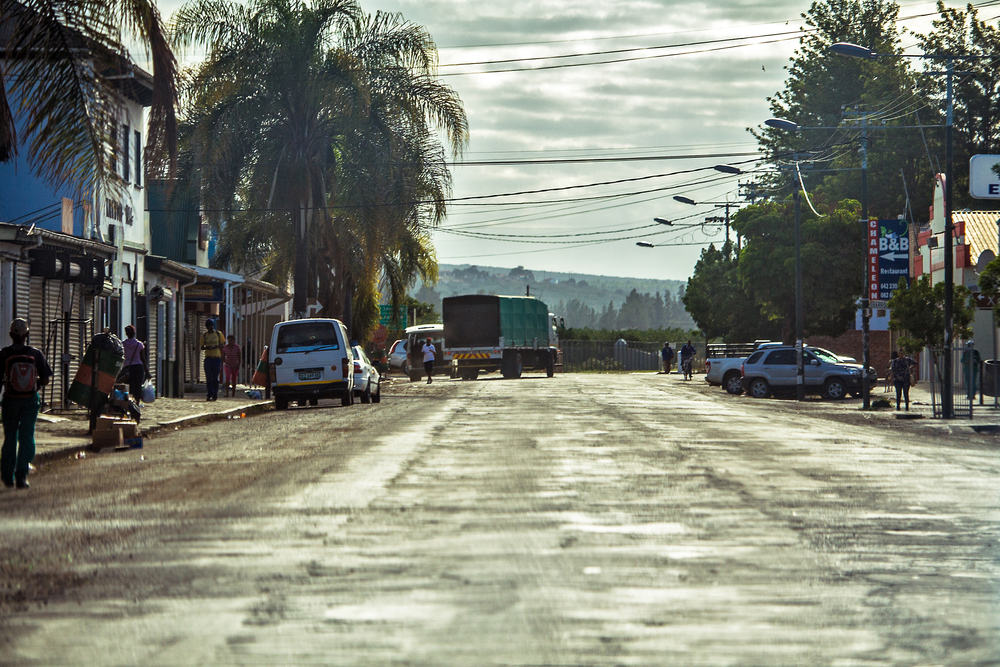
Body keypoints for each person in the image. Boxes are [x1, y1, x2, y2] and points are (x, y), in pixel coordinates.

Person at [0, 319, 52, 489]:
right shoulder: (36, 354)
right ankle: (21, 475)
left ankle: (7, 476)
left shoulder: (3, 354)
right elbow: (45, 380)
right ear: (27, 335)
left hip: (10, 400)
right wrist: (31, 382)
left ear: (10, 335)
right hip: (30, 400)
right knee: (27, 436)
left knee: (10, 437)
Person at [122, 325, 151, 404]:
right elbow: (143, 358)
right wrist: (147, 371)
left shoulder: (123, 344)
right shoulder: (139, 344)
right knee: (137, 386)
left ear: (126, 333)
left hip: (128, 367)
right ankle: (136, 404)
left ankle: (127, 402)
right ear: (134, 333)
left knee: (128, 386)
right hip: (138, 367)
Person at [200, 319, 225, 401]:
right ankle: (210, 393)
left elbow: (223, 344)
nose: (210, 328)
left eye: (211, 326)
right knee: (208, 377)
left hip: (216, 358)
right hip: (208, 359)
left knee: (215, 377)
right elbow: (202, 347)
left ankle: (215, 393)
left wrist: (216, 346)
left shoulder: (218, 334)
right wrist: (208, 347)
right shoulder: (204, 335)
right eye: (208, 327)